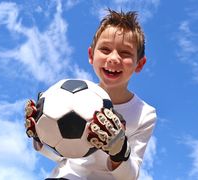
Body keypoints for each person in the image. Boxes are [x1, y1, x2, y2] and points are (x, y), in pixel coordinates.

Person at [24, 9, 157, 180]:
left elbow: (130, 176)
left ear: (139, 64)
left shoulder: (145, 114)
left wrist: (119, 150)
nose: (114, 58)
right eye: (105, 49)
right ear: (91, 55)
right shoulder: (70, 96)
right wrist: (40, 135)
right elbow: (63, 156)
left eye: (125, 53)